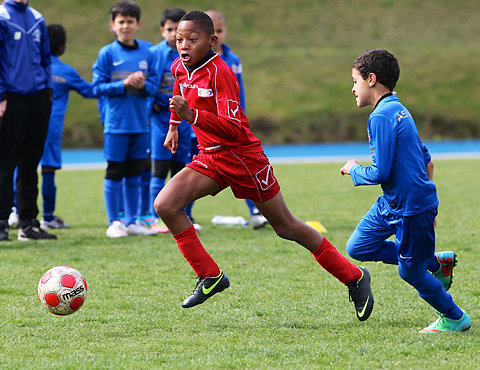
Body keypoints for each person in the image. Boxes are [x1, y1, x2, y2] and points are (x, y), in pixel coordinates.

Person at [154, 11, 373, 321]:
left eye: (193, 39)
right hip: (211, 157)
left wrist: (192, 117)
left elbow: (235, 128)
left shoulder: (221, 73)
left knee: (285, 227)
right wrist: (174, 126)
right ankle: (210, 276)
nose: (184, 45)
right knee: (165, 204)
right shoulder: (179, 67)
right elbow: (179, 93)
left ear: (212, 41)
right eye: (179, 40)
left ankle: (354, 277)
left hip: (243, 158)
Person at [340, 49, 471, 333]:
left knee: (410, 271)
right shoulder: (399, 109)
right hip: (392, 203)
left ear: (371, 79)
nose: (352, 88)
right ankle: (436, 263)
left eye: (355, 81)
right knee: (358, 246)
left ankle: (455, 317)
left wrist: (353, 168)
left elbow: (380, 172)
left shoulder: (381, 117)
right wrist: (429, 196)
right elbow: (428, 160)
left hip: (411, 208)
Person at [92, 1, 158, 238]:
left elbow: (154, 86)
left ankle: (132, 221)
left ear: (138, 24)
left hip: (141, 124)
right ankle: (115, 222)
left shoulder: (148, 52)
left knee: (136, 173)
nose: (125, 26)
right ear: (113, 25)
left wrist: (142, 86)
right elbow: (97, 88)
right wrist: (123, 84)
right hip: (116, 124)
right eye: (121, 22)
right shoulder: (107, 53)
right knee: (114, 172)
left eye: (130, 22)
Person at [204, 9, 268, 230]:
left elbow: (239, 94)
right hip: (208, 129)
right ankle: (187, 214)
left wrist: (242, 118)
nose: (217, 36)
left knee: (245, 169)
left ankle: (257, 211)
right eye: (213, 31)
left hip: (233, 127)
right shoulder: (197, 62)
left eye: (220, 30)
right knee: (195, 169)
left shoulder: (233, 60)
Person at [0, 0, 57, 241]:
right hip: (10, 100)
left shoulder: (37, 18)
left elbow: (45, 58)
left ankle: (28, 223)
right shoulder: (2, 16)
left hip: (38, 100)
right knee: (5, 162)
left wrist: (47, 90)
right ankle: (2, 222)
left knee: (31, 162)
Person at [39, 24, 96, 230]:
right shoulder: (66, 72)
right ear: (62, 48)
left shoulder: (33, 67)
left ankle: (15, 212)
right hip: (51, 129)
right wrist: (113, 83)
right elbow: (90, 91)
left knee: (19, 167)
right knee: (48, 171)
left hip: (26, 124)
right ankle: (47, 216)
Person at [148, 7, 196, 233]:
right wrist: (157, 103)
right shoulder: (155, 54)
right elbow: (149, 86)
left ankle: (185, 216)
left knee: (183, 169)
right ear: (162, 31)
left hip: (185, 121)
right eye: (170, 30)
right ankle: (155, 218)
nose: (175, 36)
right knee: (159, 168)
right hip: (160, 119)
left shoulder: (191, 55)